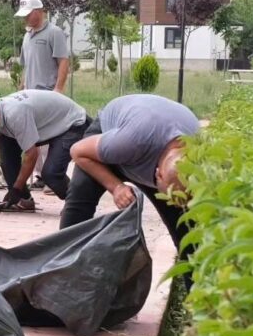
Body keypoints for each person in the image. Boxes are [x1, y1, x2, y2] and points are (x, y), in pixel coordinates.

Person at [59, 94, 200, 252]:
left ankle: (187, 274)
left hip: (148, 139)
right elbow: (77, 151)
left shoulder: (197, 151)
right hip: (113, 134)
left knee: (187, 228)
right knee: (81, 194)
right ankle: (65, 261)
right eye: (169, 195)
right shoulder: (128, 141)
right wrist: (116, 187)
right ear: (158, 173)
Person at [0, 90, 91, 212]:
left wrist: (16, 189)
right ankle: (24, 200)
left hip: (71, 123)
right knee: (5, 148)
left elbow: (31, 154)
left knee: (51, 174)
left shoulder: (15, 114)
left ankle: (79, 205)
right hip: (48, 123)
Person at [15, 0, 71, 191]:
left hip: (47, 93)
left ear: (38, 12)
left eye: (28, 14)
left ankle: (51, 176)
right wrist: (21, 87)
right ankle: (39, 175)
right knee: (33, 137)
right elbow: (26, 65)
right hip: (29, 94)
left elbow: (63, 61)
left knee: (48, 137)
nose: (25, 18)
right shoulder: (26, 36)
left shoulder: (54, 33)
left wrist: (59, 89)